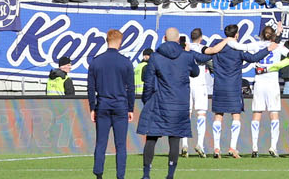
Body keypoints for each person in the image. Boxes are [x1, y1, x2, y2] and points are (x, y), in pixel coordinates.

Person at [136, 27, 210, 179]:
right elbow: (195, 72)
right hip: (180, 103)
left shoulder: (155, 57)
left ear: (164, 38)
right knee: (175, 139)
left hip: (159, 102)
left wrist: (147, 100)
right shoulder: (186, 56)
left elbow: (148, 82)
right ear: (179, 40)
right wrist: (188, 54)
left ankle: (146, 174)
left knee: (151, 138)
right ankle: (170, 175)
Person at [203, 24, 271, 157]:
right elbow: (253, 58)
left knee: (218, 115)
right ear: (236, 35)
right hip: (234, 86)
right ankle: (232, 147)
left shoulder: (218, 46)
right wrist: (268, 49)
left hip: (219, 86)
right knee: (236, 115)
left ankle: (216, 148)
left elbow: (206, 53)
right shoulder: (238, 48)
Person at [88, 27, 137, 179]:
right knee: (120, 145)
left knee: (101, 143)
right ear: (120, 42)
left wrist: (92, 107)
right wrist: (130, 108)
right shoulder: (125, 62)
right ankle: (120, 175)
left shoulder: (96, 62)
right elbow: (131, 88)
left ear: (107, 41)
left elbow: (91, 87)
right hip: (120, 106)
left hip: (102, 105)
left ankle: (98, 174)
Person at [246, 26, 286, 156]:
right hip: (272, 83)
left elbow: (242, 48)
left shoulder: (256, 45)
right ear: (273, 35)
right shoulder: (278, 46)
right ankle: (273, 146)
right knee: (274, 114)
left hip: (259, 83)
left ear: (261, 35)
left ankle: (254, 147)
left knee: (257, 114)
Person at [181, 29, 210, 157]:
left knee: (187, 113)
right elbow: (210, 60)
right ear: (201, 38)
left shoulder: (185, 47)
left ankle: (184, 144)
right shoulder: (204, 48)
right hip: (200, 83)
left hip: (187, 82)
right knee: (201, 114)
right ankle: (200, 144)